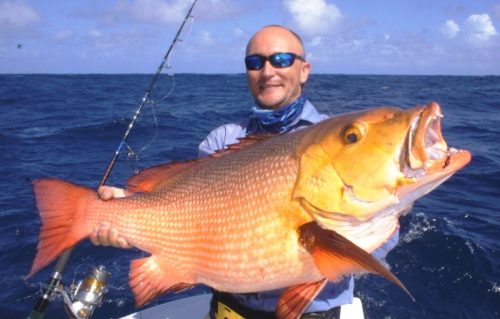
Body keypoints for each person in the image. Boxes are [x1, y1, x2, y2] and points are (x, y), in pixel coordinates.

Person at [91, 25, 399, 319]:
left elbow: (379, 242)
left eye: (281, 59)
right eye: (255, 63)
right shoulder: (221, 141)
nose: (268, 72)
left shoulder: (342, 140)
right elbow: (189, 215)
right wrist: (123, 209)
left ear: (304, 70)